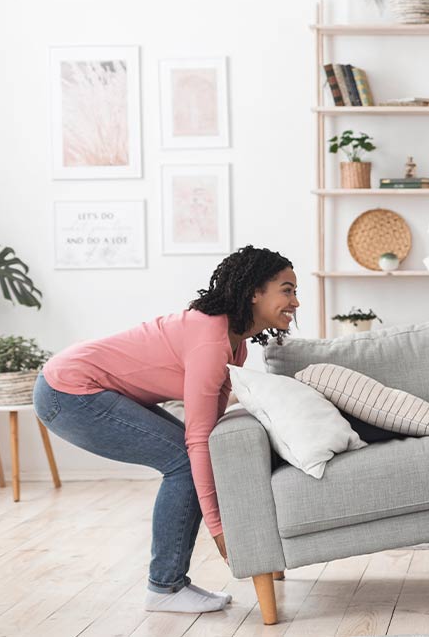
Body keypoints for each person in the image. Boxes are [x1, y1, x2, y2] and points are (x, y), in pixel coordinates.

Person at [33, 246, 299, 614]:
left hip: (84, 387)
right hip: (68, 392)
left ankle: (170, 585)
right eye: (287, 290)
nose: (295, 302)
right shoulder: (211, 341)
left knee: (189, 459)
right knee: (183, 462)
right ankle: (165, 586)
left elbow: (210, 432)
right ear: (255, 292)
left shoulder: (233, 345)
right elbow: (198, 440)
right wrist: (219, 528)